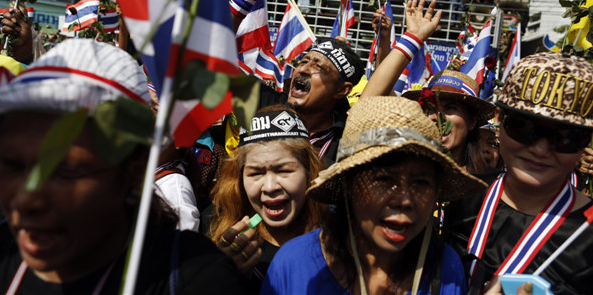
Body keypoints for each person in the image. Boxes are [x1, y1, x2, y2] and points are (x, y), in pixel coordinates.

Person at [0, 39, 249, 294]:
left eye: (64, 170)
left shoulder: (194, 278)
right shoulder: (0, 250)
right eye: (11, 165)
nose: (26, 200)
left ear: (134, 169)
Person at [261, 96, 487, 295]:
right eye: (384, 180)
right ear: (348, 185)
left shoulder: (446, 268)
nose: (405, 200)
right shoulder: (296, 265)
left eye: (421, 182)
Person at [442, 52, 593, 295]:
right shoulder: (464, 194)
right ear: (499, 120)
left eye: (566, 137)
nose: (541, 149)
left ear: (585, 143)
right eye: (524, 127)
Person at [230, 0, 364, 165]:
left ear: (342, 90)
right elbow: (208, 58)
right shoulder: (267, 104)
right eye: (303, 61)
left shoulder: (350, 139)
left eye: (318, 66)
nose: (302, 69)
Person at [207, 105, 325, 292]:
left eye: (284, 170)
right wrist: (218, 277)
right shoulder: (213, 228)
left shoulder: (338, 233)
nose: (270, 187)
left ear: (310, 172)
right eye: (255, 173)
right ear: (239, 177)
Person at [403, 70, 496, 174]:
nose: (437, 117)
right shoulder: (406, 174)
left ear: (472, 121)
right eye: (431, 108)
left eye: (450, 108)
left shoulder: (492, 184)